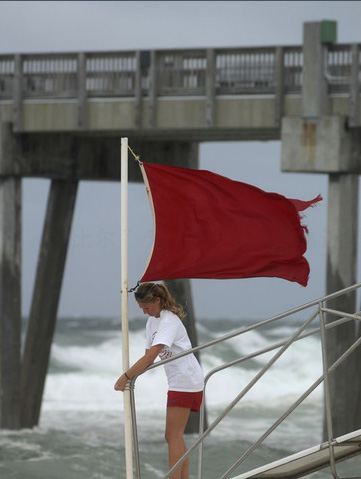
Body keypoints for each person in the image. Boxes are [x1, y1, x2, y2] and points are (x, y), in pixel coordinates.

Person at [114, 282, 204, 479]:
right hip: (179, 380)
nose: (145, 312)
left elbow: (150, 357)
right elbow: (148, 357)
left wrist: (125, 377)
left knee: (173, 435)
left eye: (147, 308)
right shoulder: (152, 322)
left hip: (186, 379)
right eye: (141, 309)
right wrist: (132, 377)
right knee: (173, 436)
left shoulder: (168, 321)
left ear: (157, 300)